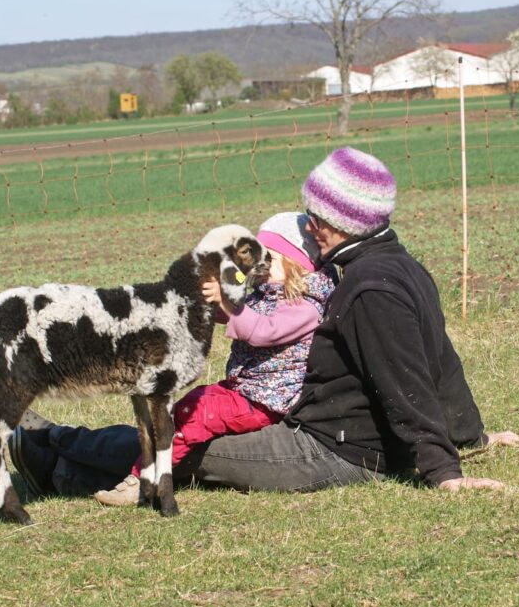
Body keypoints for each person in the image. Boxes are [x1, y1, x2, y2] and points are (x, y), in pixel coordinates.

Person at [9, 146, 519, 501]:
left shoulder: (370, 289)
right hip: (333, 433)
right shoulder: (400, 266)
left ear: (341, 220)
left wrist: (444, 471)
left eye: (315, 215)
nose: (310, 225)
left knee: (194, 438)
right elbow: (442, 359)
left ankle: (52, 446)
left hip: (334, 448)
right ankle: (59, 466)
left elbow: (405, 376)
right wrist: (472, 436)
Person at [91, 211, 337, 506]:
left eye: (269, 257)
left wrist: (226, 303)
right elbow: (237, 309)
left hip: (266, 401)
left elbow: (263, 330)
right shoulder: (270, 290)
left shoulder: (305, 306)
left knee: (197, 414)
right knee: (193, 404)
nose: (261, 264)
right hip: (248, 390)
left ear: (298, 262)